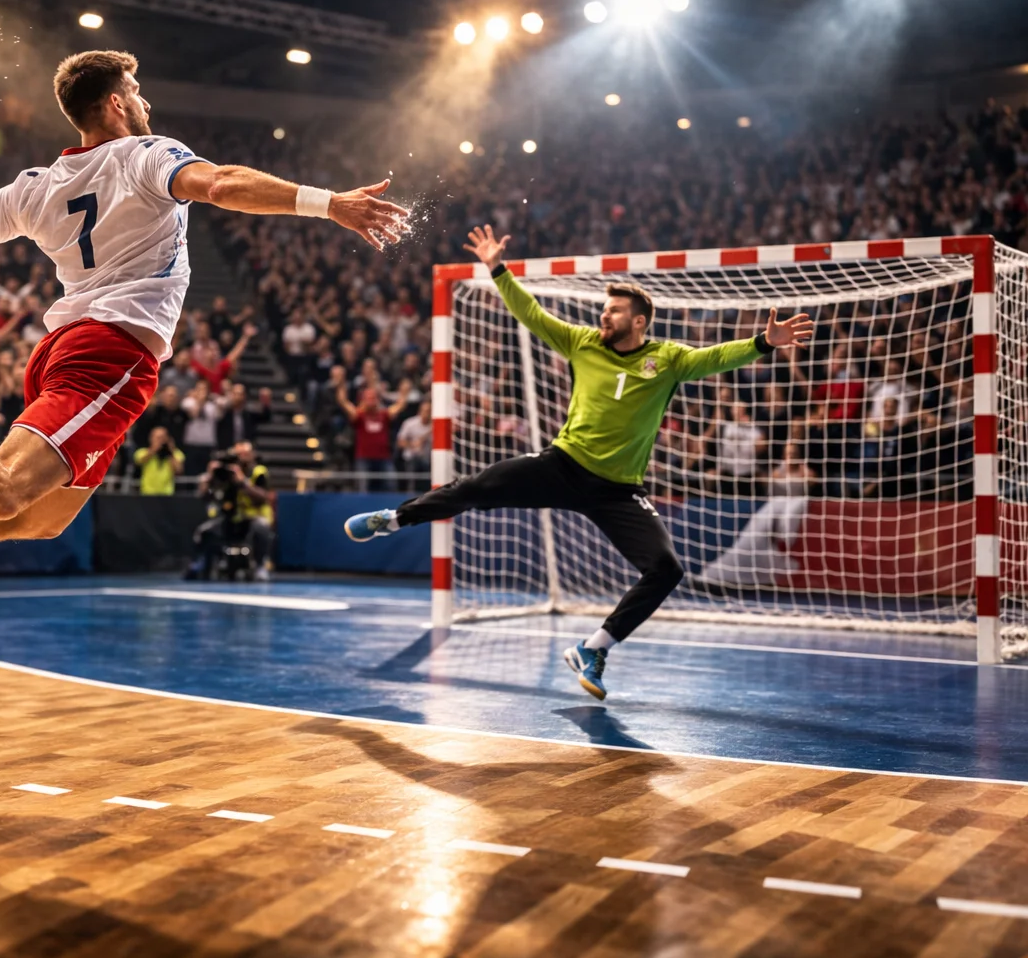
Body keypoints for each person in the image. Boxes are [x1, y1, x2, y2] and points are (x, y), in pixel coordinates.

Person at [0, 49, 410, 637]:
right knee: (6, 490)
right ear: (114, 104)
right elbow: (221, 184)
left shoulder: (37, 185)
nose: (146, 104)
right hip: (110, 353)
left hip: (69, 349)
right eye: (137, 92)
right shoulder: (144, 154)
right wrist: (329, 205)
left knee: (38, 517)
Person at [344, 225, 814, 700]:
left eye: (613, 311)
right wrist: (497, 268)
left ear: (639, 322)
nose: (603, 315)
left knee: (667, 569)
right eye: (604, 309)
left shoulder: (667, 359)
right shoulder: (583, 343)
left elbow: (714, 358)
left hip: (618, 490)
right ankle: (394, 518)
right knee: (473, 487)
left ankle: (594, 648)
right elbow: (532, 314)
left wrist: (763, 343)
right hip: (563, 465)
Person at [188, 440, 274, 580]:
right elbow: (205, 495)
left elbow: (263, 497)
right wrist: (211, 476)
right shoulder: (226, 473)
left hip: (251, 519)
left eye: (245, 453)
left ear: (252, 455)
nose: (242, 457)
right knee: (204, 532)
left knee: (262, 528)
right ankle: (198, 563)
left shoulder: (258, 472)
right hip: (230, 519)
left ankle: (260, 566)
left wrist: (242, 483)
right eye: (238, 454)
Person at [132, 426, 184, 495]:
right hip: (147, 492)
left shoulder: (175, 453)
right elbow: (140, 461)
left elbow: (179, 470)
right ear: (151, 438)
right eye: (157, 438)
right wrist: (154, 450)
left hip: (167, 493)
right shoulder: (142, 452)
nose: (160, 440)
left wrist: (170, 452)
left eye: (163, 437)